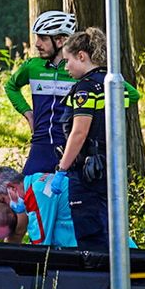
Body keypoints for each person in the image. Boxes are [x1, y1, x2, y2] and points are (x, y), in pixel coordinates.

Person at [5, 11, 140, 175]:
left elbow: (132, 94)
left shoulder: (79, 72)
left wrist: (95, 120)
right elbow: (11, 87)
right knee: (28, 193)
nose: (37, 43)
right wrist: (29, 114)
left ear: (60, 40)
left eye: (43, 38)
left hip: (70, 148)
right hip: (40, 144)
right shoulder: (32, 67)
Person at [58, 27, 119, 250]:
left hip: (87, 174)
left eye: (68, 61)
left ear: (82, 56)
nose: (66, 68)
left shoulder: (85, 88)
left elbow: (79, 132)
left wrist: (62, 168)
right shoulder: (112, 83)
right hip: (111, 169)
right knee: (111, 232)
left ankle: (98, 283)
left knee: (91, 238)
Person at [0, 166, 73, 247]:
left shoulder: (36, 194)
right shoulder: (37, 178)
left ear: (11, 188)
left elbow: (39, 245)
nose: (8, 206)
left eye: (4, 200)